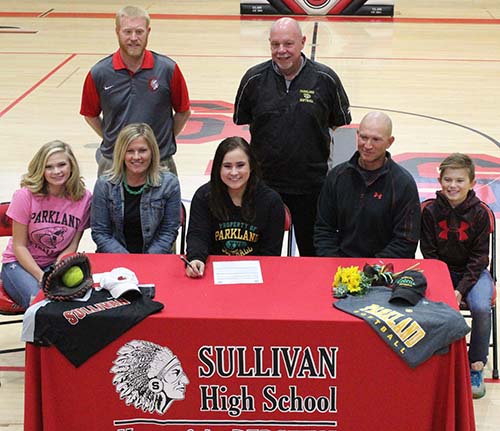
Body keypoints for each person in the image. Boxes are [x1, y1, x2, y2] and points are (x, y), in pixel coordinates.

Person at [233, 17, 351, 256]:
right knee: (264, 255)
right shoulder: (253, 79)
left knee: (313, 255)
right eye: (275, 44)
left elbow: (340, 125)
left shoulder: (325, 79)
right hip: (264, 186)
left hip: (312, 187)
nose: (281, 51)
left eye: (288, 44)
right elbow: (242, 122)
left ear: (303, 42)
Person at [80, 5, 191, 176]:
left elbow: (183, 112)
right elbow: (90, 114)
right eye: (127, 32)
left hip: (160, 162)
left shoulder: (168, 69)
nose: (133, 38)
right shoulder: (99, 73)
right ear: (117, 32)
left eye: (139, 32)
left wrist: (162, 141)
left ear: (148, 31)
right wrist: (114, 140)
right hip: (114, 162)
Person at [420, 153, 493, 399]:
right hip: (440, 270)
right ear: (440, 181)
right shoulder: (430, 211)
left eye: (460, 180)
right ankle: (434, 358)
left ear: (472, 183)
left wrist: (460, 288)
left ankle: (476, 365)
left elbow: (480, 258)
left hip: (474, 273)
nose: (453, 185)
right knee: (427, 304)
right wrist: (443, 283)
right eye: (448, 179)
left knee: (482, 307)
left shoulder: (481, 213)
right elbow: (429, 253)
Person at [314, 111, 420, 258]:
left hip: (383, 272)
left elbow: (406, 241)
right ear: (357, 134)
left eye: (376, 139)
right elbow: (324, 230)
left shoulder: (403, 184)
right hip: (340, 269)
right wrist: (336, 265)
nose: (367, 145)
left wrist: (371, 271)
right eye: (363, 137)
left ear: (390, 142)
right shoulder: (336, 177)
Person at [0, 141, 92, 309]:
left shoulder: (84, 198)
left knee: (78, 305)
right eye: (49, 167)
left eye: (61, 165)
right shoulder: (24, 196)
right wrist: (42, 276)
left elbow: (73, 244)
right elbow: (19, 246)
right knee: (41, 304)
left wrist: (57, 268)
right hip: (19, 264)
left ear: (71, 165)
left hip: (54, 264)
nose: (56, 171)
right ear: (40, 169)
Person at [185, 136, 285, 278]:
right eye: (227, 166)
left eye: (240, 165)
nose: (234, 172)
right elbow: (198, 235)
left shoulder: (271, 201)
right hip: (212, 272)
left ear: (251, 166)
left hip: (256, 274)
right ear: (217, 168)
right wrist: (196, 258)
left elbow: (271, 252)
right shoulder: (204, 196)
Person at [91, 123, 180, 254]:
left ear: (152, 152)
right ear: (121, 153)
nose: (136, 157)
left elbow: (168, 231)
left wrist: (144, 260)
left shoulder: (169, 183)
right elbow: (100, 232)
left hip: (154, 259)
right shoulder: (104, 185)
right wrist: (128, 260)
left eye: (142, 150)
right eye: (130, 151)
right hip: (115, 259)